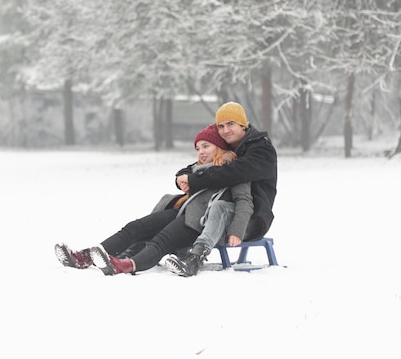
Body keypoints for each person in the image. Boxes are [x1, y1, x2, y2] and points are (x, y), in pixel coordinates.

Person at [54, 123, 246, 275]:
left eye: (206, 146)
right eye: (198, 148)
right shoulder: (197, 169)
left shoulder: (235, 171)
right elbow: (184, 176)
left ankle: (126, 265)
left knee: (160, 241)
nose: (201, 152)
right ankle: (85, 257)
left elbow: (244, 201)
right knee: (134, 227)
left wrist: (237, 230)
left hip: (199, 224)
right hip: (182, 213)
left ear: (220, 147)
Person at [165, 101, 277, 276]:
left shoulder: (261, 149)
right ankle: (143, 247)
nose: (225, 130)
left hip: (253, 218)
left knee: (220, 207)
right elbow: (200, 164)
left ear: (243, 124)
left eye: (231, 124)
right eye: (221, 126)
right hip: (221, 212)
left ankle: (195, 260)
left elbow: (232, 173)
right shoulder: (229, 147)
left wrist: (194, 180)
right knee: (177, 205)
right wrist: (184, 175)